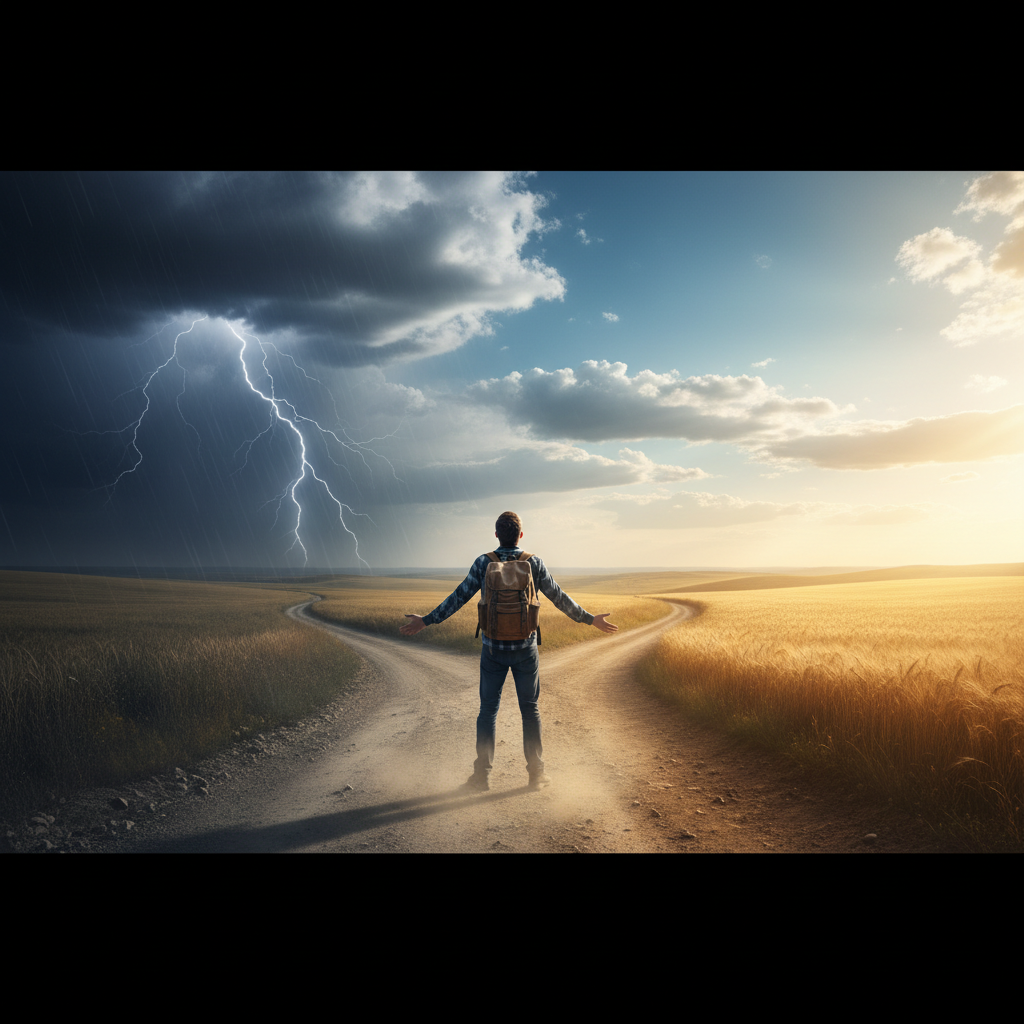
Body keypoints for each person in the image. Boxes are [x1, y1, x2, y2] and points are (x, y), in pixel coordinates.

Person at [399, 511, 618, 790]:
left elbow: (458, 597)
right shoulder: (533, 562)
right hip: (526, 650)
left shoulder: (483, 562)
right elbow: (558, 596)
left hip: (492, 650)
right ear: (521, 536)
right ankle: (536, 775)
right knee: (530, 710)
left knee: (488, 711)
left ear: (496, 535)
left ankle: (481, 777)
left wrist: (426, 621)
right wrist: (590, 619)